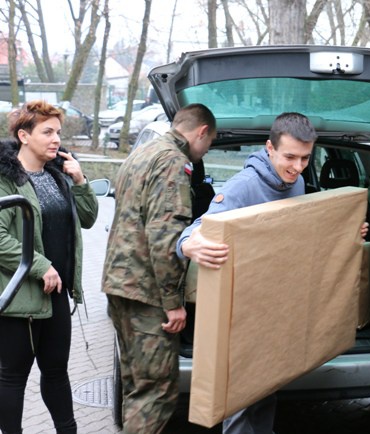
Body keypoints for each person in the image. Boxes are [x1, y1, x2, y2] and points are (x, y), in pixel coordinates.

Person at [178, 112, 368, 434]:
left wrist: (346, 232)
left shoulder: (298, 183)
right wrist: (190, 245)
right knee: (238, 405)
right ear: (269, 148)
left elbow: (301, 237)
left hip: (277, 310)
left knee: (266, 392)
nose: (298, 167)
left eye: (306, 158)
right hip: (243, 315)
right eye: (290, 157)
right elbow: (195, 230)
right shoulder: (243, 188)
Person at [102, 103, 217, 434]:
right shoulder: (172, 161)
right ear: (201, 132)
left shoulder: (141, 154)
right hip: (147, 292)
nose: (205, 151)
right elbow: (164, 236)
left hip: (120, 284)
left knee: (136, 384)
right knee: (157, 391)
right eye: (208, 143)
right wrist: (173, 303)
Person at [0, 100, 99, 434]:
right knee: (13, 376)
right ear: (24, 135)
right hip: (19, 297)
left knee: (56, 371)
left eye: (58, 131)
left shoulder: (58, 176)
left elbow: (87, 219)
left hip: (56, 292)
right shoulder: (6, 180)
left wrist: (80, 180)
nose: (56, 139)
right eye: (47, 132)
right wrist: (40, 265)